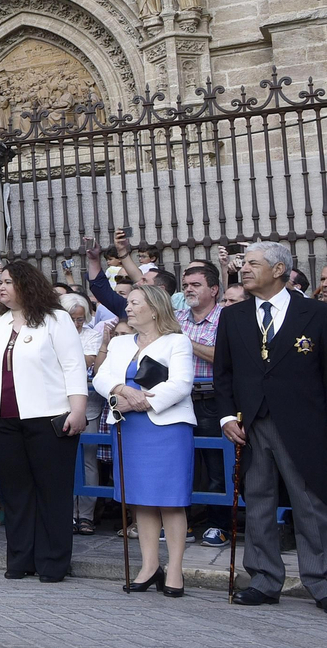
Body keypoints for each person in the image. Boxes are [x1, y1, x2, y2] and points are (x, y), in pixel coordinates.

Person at [215, 242, 327, 608]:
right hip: (252, 425)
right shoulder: (233, 316)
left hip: (303, 424)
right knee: (258, 501)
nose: (243, 269)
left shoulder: (315, 313)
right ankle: (263, 579)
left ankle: (321, 581)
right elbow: (224, 374)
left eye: (252, 264)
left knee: (309, 504)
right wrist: (228, 416)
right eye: (242, 264)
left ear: (279, 270)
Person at [0, 260, 89, 583]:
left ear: (26, 284)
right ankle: (21, 558)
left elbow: (73, 365)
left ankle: (52, 561)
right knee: (15, 493)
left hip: (49, 416)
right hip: (3, 418)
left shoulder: (55, 319)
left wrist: (77, 410)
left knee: (52, 492)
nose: (0, 287)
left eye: (7, 282)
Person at [94, 283, 196, 596]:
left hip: (167, 427)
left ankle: (175, 569)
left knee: (171, 500)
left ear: (153, 309)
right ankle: (150, 566)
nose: (128, 307)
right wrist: (124, 392)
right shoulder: (121, 343)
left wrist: (144, 401)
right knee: (142, 500)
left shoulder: (176, 341)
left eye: (134, 302)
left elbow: (181, 384)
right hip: (129, 427)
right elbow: (100, 377)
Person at [175, 264, 229, 547]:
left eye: (195, 285)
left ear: (213, 289)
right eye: (186, 285)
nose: (189, 290)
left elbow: (222, 356)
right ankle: (180, 524)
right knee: (181, 462)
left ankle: (218, 525)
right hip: (180, 400)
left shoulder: (227, 318)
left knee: (215, 465)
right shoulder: (176, 317)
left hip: (211, 399)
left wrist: (185, 342)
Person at [63, 293, 106, 534]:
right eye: (72, 319)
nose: (77, 324)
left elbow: (89, 360)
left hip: (89, 407)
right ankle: (67, 513)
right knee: (64, 461)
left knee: (89, 461)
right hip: (60, 406)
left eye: (80, 319)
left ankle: (86, 515)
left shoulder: (91, 335)